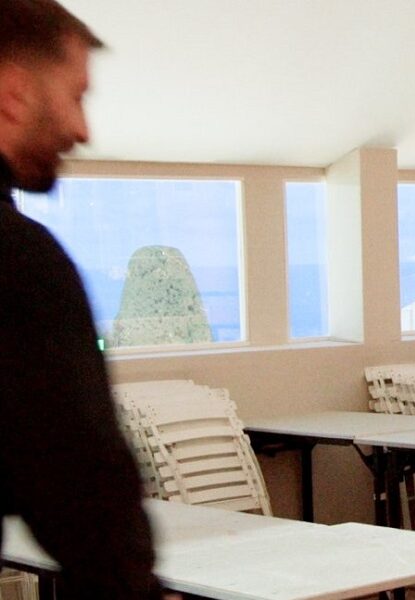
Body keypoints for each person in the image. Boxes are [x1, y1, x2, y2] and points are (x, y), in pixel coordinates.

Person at [0, 1, 163, 597]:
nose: (83, 129)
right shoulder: (19, 261)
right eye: (75, 96)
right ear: (14, 93)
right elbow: (89, 500)